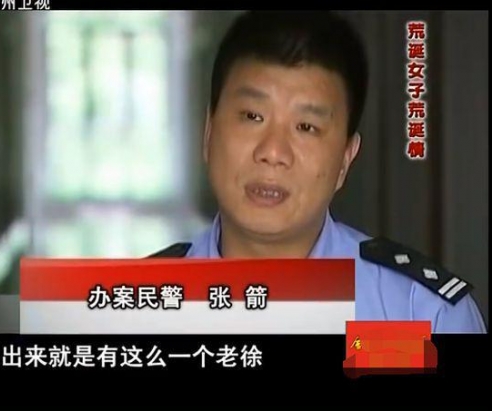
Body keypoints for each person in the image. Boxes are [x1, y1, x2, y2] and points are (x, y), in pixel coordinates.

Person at [149, 11, 486, 333]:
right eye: (252, 116)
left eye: (306, 127)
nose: (273, 153)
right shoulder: (137, 309)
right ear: (209, 132)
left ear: (345, 159)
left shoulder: (422, 317)